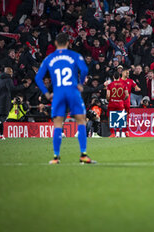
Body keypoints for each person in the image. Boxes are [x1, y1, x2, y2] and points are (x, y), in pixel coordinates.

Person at [35, 33, 96, 165]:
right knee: (81, 121)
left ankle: (56, 157)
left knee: (58, 124)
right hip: (73, 92)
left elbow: (38, 78)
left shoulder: (49, 58)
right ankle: (83, 155)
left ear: (56, 43)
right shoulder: (74, 55)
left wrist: (46, 93)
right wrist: (80, 83)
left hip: (58, 94)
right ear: (68, 43)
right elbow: (84, 69)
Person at [0, 67, 29, 140]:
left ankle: (1, 135)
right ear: (9, 72)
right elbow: (13, 89)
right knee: (4, 117)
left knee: (1, 117)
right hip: (5, 101)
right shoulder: (8, 80)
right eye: (11, 72)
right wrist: (23, 86)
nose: (12, 74)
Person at [106, 71, 128, 138]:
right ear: (119, 77)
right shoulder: (124, 84)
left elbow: (108, 95)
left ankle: (113, 133)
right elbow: (127, 95)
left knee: (110, 118)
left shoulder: (110, 85)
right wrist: (122, 99)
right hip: (120, 103)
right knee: (120, 117)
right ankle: (119, 133)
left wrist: (108, 100)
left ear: (113, 77)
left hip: (112, 103)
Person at [121, 68, 140, 137]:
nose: (128, 74)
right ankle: (117, 132)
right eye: (126, 72)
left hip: (127, 102)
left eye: (128, 73)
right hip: (119, 101)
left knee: (126, 117)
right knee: (118, 116)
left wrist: (138, 88)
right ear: (122, 73)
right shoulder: (118, 81)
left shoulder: (131, 81)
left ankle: (126, 131)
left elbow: (137, 88)